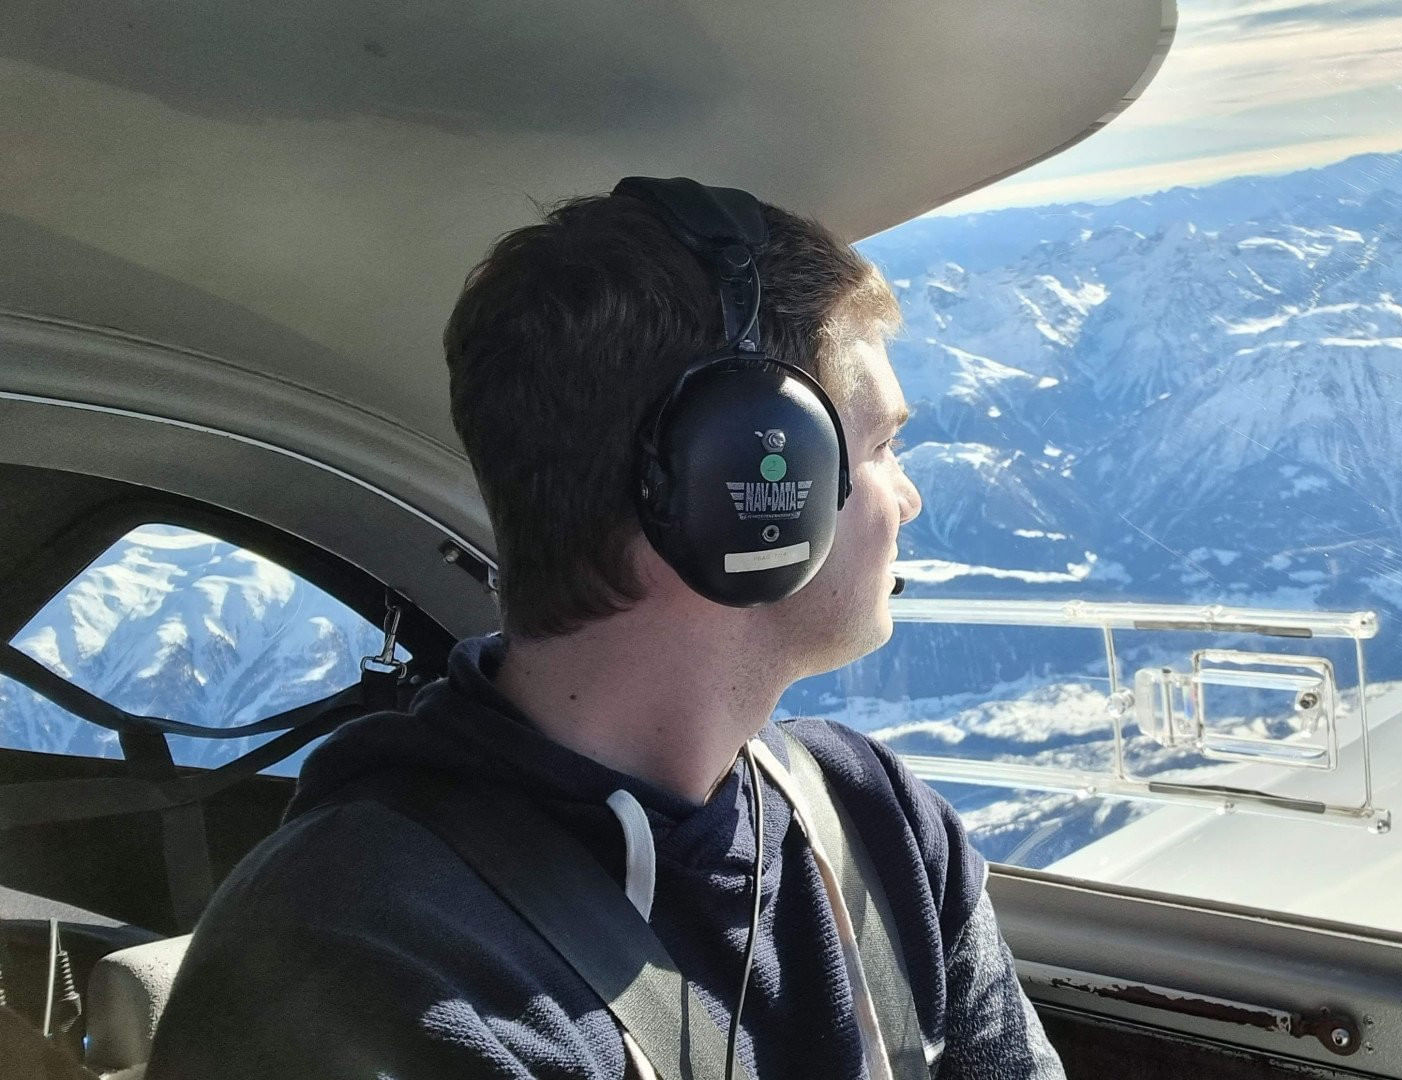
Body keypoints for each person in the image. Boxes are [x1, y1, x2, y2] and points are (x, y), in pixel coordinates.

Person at [146, 180, 1066, 1079]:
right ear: (740, 498)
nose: (910, 496)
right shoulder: (367, 965)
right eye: (881, 449)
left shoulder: (881, 830)